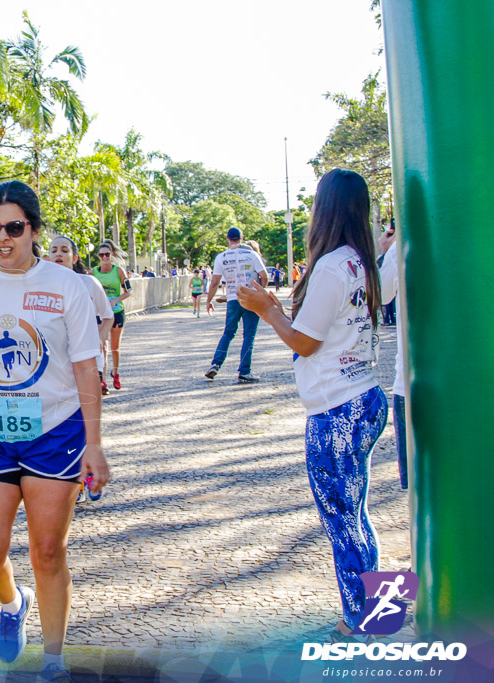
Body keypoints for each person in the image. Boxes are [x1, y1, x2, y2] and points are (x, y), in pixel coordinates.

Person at [0, 181, 108, 682]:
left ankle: (54, 661)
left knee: (47, 550)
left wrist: (94, 444)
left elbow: (85, 369)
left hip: (56, 430)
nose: (3, 238)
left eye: (14, 227)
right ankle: (13, 603)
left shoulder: (67, 284)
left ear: (33, 228)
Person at [236, 168, 387, 642]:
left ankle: (359, 620)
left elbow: (303, 341)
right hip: (365, 397)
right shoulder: (363, 262)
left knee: (341, 519)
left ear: (326, 209)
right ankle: (378, 613)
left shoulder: (330, 266)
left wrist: (267, 310)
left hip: (337, 410)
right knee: (356, 514)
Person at [48, 234, 113, 507]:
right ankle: (69, 476)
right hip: (56, 368)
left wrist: (98, 337)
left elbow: (108, 316)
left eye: (65, 250)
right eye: (54, 250)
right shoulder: (40, 285)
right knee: (63, 422)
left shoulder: (88, 283)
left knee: (85, 420)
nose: (59, 254)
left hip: (87, 364)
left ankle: (88, 474)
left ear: (75, 258)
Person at [203, 227, 268, 383]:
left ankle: (216, 364)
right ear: (242, 237)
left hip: (233, 298)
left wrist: (209, 300)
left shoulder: (221, 257)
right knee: (249, 335)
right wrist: (260, 290)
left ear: (227, 238)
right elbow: (264, 276)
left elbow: (214, 283)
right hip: (250, 298)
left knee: (228, 333)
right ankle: (245, 371)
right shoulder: (252, 255)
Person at [378, 229, 408, 490]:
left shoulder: (402, 246)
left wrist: (389, 249)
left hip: (412, 380)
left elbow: (381, 294)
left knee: (420, 482)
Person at [92, 239, 131, 390]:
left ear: (112, 254)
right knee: (103, 346)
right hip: (100, 314)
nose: (104, 257)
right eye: (101, 255)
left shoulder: (118, 271)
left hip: (116, 312)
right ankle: (102, 380)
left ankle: (115, 373)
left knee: (115, 348)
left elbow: (129, 292)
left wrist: (116, 300)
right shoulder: (93, 272)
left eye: (107, 254)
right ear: (98, 256)